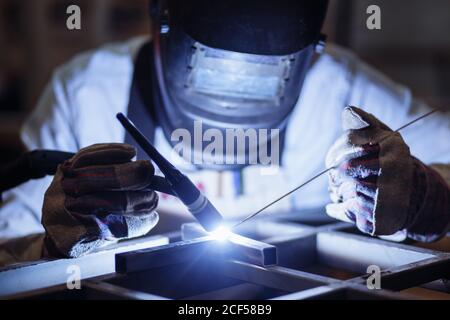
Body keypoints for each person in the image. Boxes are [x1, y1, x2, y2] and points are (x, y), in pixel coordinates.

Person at [0, 0, 449, 264]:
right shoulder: (88, 93)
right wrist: (60, 240)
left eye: (262, 74)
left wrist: (431, 198)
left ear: (310, 54)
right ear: (161, 22)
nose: (233, 97)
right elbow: (7, 249)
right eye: (214, 68)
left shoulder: (340, 88)